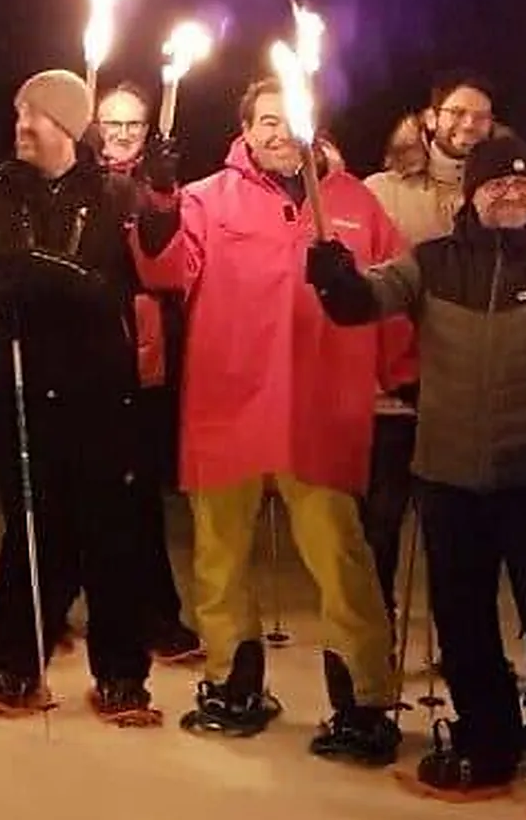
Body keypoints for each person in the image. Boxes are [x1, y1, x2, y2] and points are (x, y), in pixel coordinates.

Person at [307, 132, 526, 820]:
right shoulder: (433, 262)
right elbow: (363, 303)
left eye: (524, 184)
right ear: (473, 193)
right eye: (498, 183)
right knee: (462, 619)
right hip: (449, 474)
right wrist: (334, 278)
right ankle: (485, 737)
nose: (512, 193)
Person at [133, 77, 405, 764]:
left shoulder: (353, 203)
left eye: (291, 121)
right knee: (220, 555)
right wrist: (159, 199)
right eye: (266, 123)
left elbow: (394, 297)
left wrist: (407, 376)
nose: (279, 134)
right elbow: (163, 268)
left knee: (341, 559)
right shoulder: (206, 198)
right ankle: (232, 684)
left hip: (319, 404)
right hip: (228, 403)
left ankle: (364, 699)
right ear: (246, 132)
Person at [0, 71, 162, 722]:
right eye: (19, 112)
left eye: (37, 115)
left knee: (112, 533)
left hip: (102, 386)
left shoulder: (112, 192)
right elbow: (6, 268)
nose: (22, 124)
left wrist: (160, 202)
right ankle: (15, 666)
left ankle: (123, 675)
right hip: (26, 378)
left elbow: (146, 268)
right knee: (32, 531)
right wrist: (85, 281)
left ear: (70, 128)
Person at [358, 76, 492, 619]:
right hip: (393, 387)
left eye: (481, 116)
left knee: (458, 529)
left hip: (460, 386)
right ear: (431, 117)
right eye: (457, 112)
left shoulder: (498, 192)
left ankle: (462, 641)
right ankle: (376, 634)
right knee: (382, 519)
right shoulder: (382, 191)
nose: (468, 125)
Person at [91, 82, 204, 663]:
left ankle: (155, 611)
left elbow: (166, 270)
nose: (121, 133)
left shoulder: (158, 187)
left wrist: (161, 196)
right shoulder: (74, 180)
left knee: (137, 495)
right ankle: (66, 606)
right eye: (111, 122)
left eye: (133, 124)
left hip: (141, 353)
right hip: (79, 353)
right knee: (78, 488)